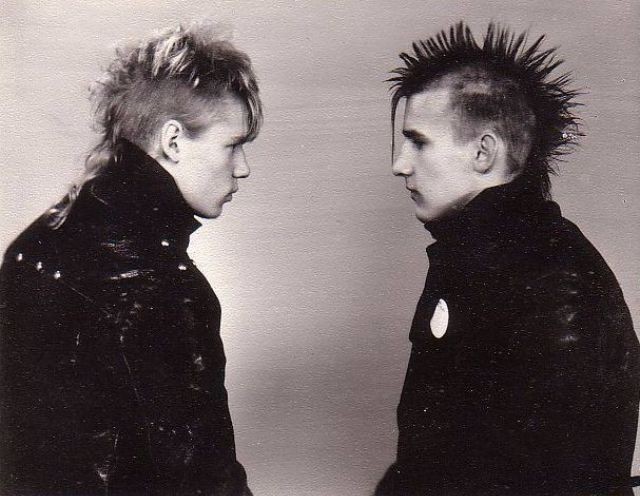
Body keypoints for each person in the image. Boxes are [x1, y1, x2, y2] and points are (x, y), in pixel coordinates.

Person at [375, 22, 639, 496]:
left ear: (483, 151)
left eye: (418, 141)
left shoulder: (553, 279)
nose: (400, 163)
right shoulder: (477, 257)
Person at [0, 22, 261, 495]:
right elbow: (201, 478)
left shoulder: (35, 243)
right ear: (173, 141)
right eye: (233, 145)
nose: (242, 168)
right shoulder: (164, 285)